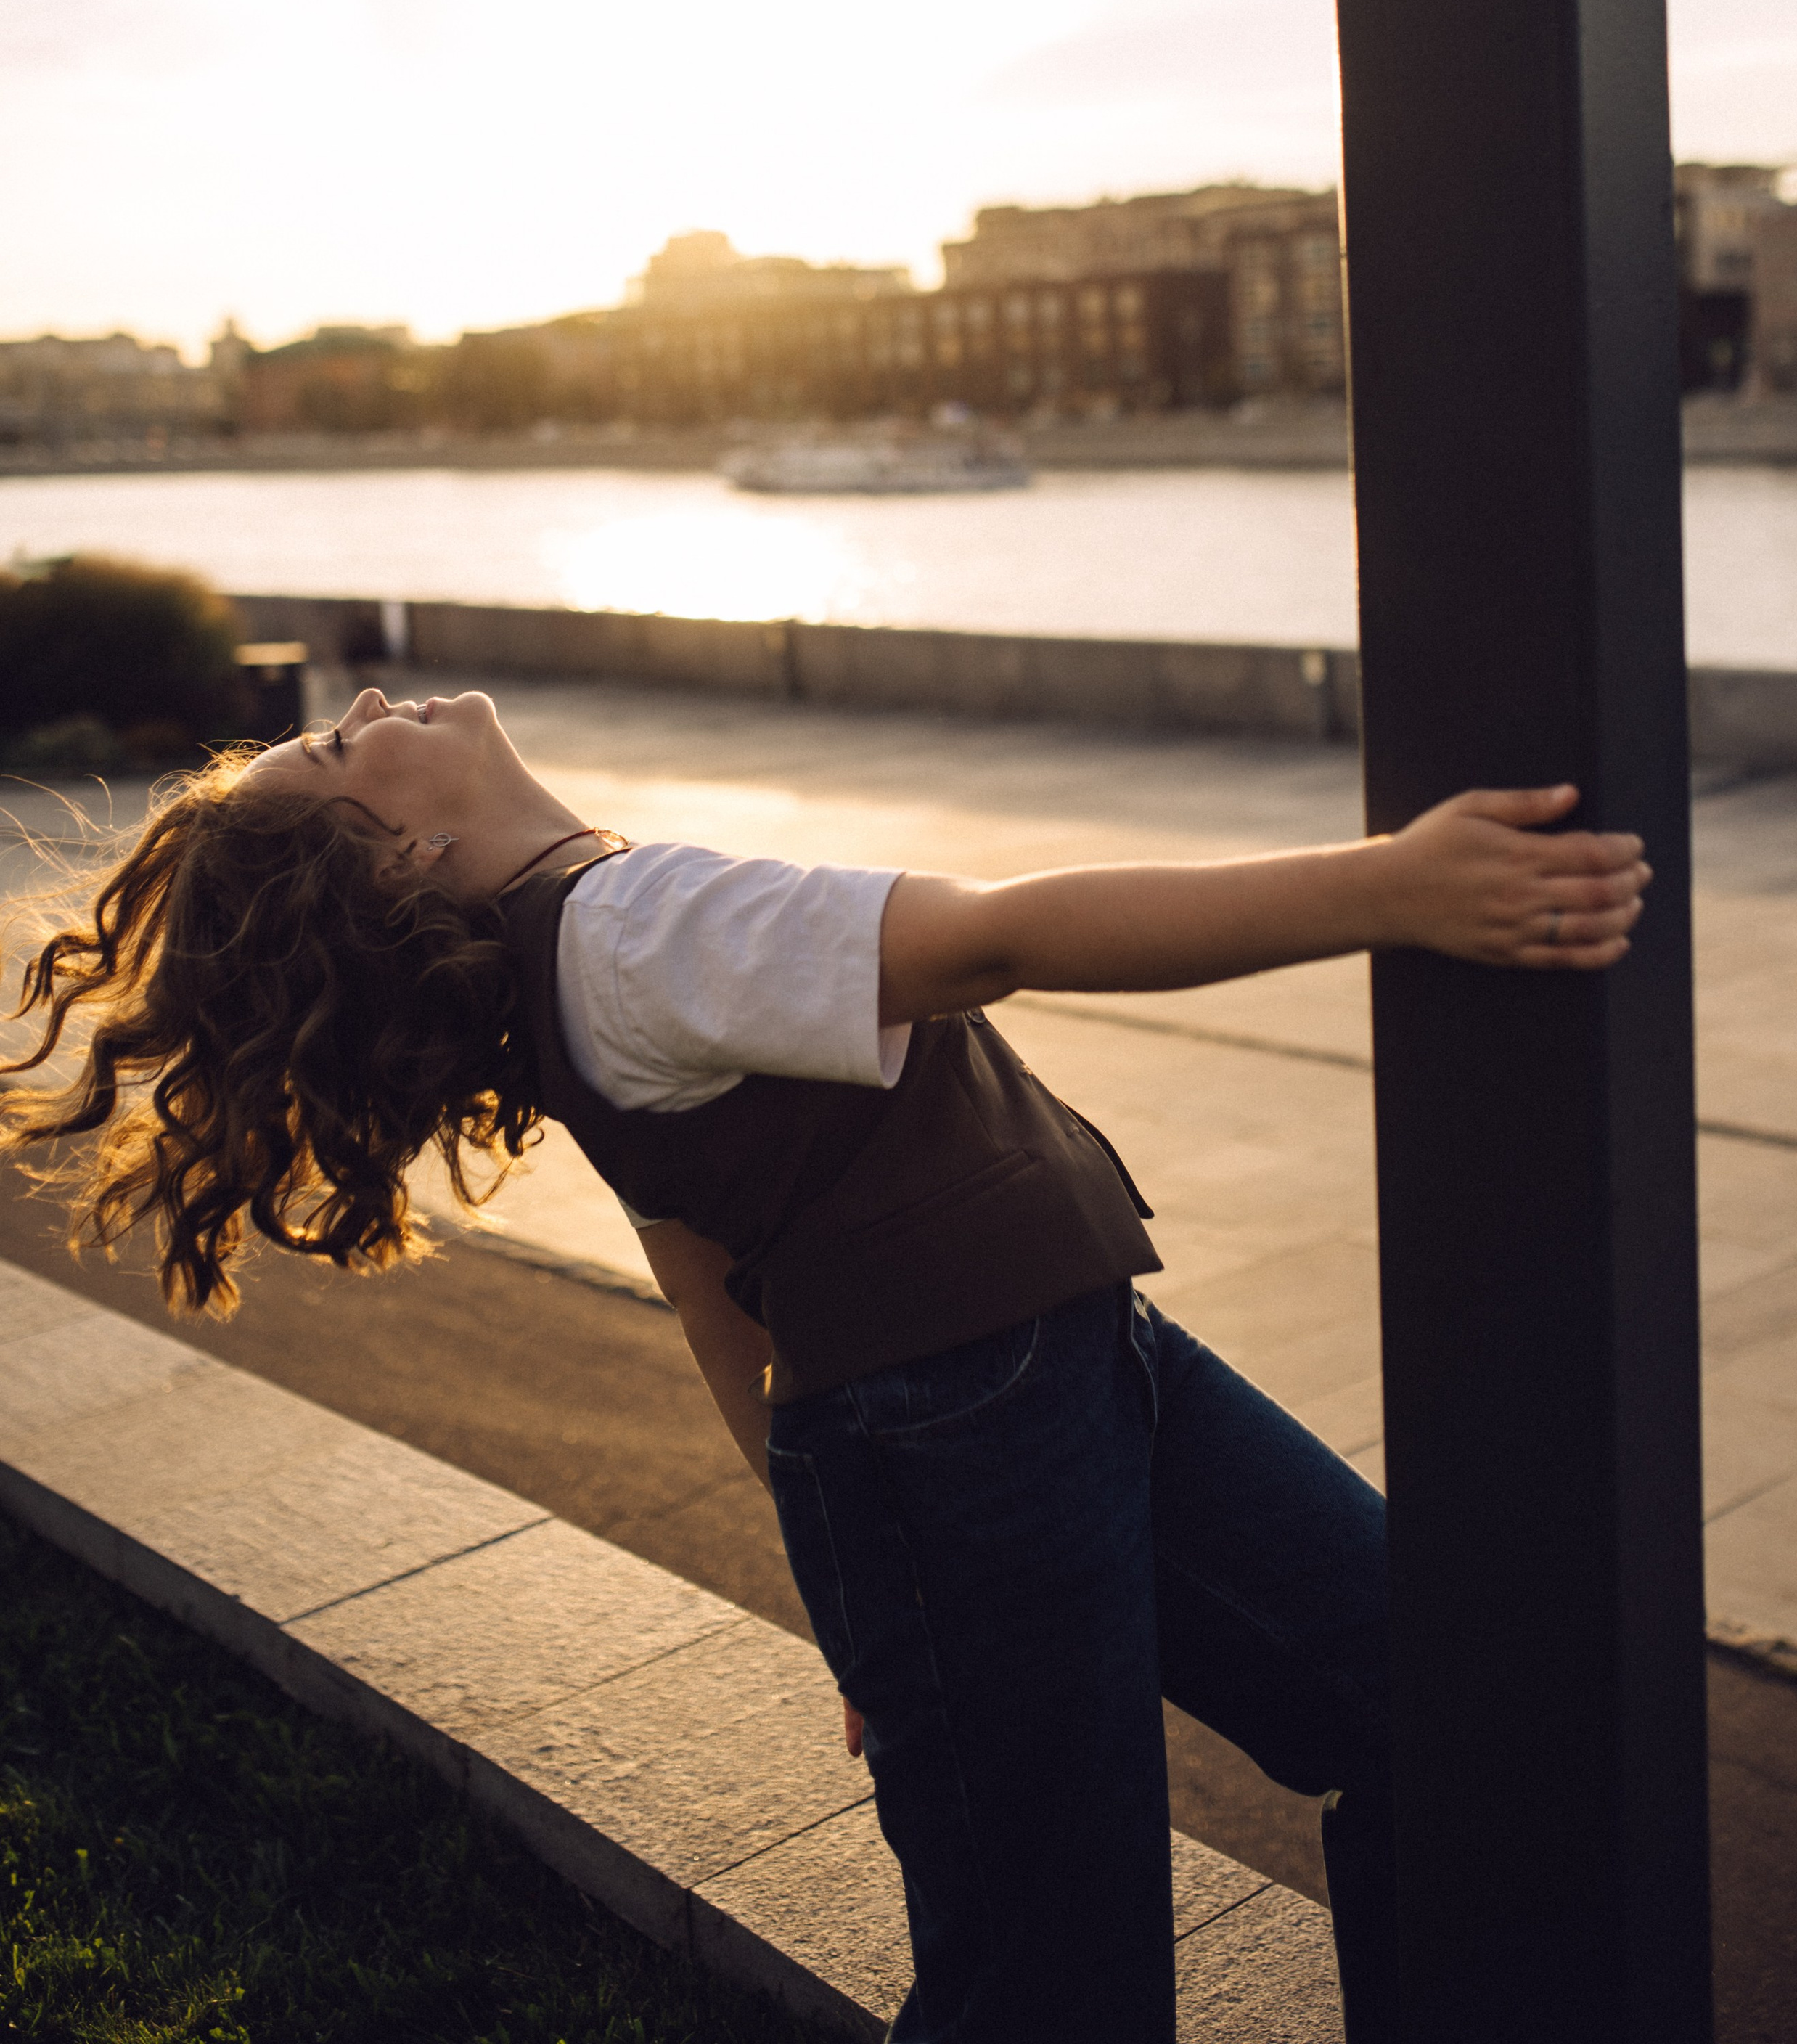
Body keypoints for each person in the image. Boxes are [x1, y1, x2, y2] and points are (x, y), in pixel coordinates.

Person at [4, 685, 1650, 2044]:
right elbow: (999, 934)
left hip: (1052, 1378)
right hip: (965, 1438)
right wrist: (1396, 887)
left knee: (1413, 1693)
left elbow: (716, 1289)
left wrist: (855, 1607)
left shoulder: (573, 954)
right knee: (1047, 1970)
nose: (363, 703)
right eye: (345, 749)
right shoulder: (632, 928)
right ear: (407, 848)